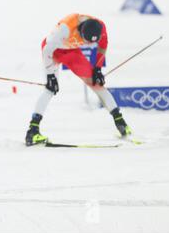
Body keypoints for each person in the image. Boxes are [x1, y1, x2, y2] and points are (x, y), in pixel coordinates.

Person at [25, 13, 132, 146]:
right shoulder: (65, 29)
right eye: (86, 40)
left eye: (90, 42)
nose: (87, 43)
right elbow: (47, 50)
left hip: (72, 52)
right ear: (80, 30)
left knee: (96, 83)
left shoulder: (100, 27)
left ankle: (120, 122)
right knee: (50, 89)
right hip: (53, 51)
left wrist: (97, 68)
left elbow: (102, 46)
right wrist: (50, 75)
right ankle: (32, 131)